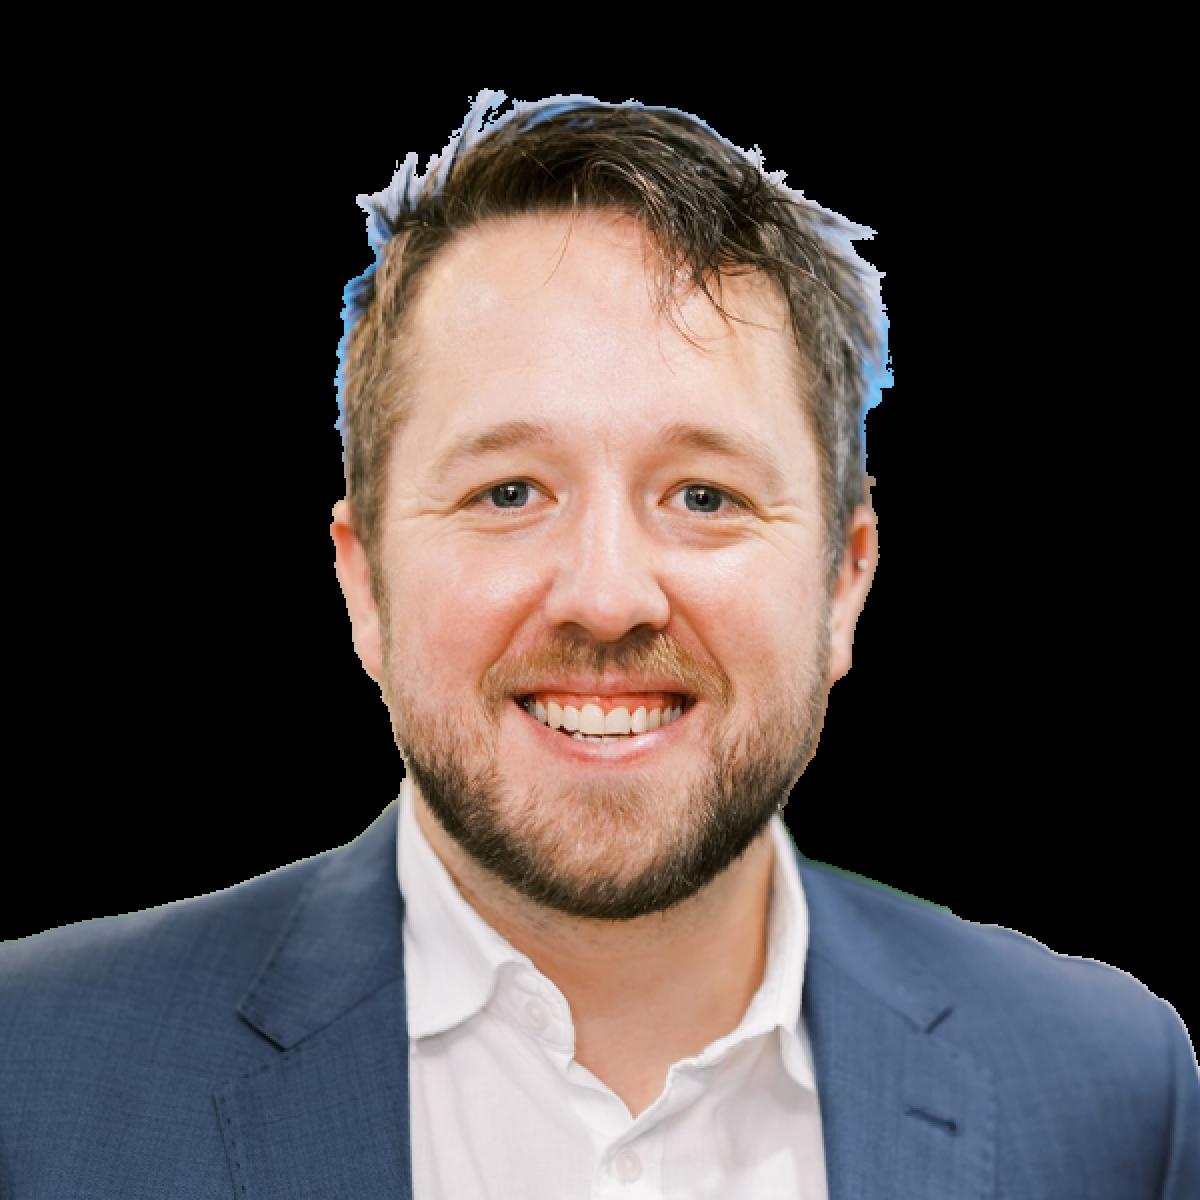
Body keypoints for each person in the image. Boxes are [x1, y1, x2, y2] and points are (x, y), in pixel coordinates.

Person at [1, 90, 1195, 1199]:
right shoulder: (28, 1075)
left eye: (706, 496)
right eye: (511, 491)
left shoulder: (1108, 1092)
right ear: (362, 583)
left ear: (844, 579)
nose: (609, 596)